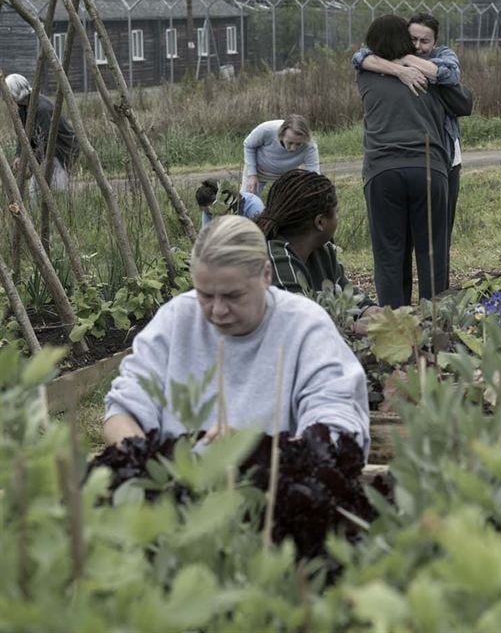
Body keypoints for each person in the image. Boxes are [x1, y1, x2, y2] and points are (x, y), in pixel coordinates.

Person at [103, 216, 370, 455]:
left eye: (233, 295)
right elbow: (123, 412)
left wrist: (255, 455)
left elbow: (337, 429)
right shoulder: (176, 320)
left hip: (275, 496)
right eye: (205, 295)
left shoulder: (304, 328)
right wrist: (144, 464)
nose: (217, 311)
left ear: (266, 275)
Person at [355, 14, 473, 308]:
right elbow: (464, 101)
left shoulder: (366, 73)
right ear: (405, 40)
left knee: (389, 253)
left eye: (423, 40)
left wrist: (400, 65)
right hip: (429, 169)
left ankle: (394, 321)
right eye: (413, 40)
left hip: (381, 172)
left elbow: (360, 57)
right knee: (432, 251)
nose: (419, 45)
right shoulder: (430, 78)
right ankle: (433, 319)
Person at [256, 169, 380, 333]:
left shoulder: (322, 252)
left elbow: (349, 296)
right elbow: (300, 325)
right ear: (320, 222)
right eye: (336, 212)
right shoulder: (276, 261)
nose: (338, 218)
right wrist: (356, 328)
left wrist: (372, 313)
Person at [4, 73, 79, 192]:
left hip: (61, 149)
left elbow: (44, 141)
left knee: (58, 188)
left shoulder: (42, 109)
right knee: (35, 191)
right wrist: (19, 155)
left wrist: (30, 165)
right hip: (43, 150)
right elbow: (22, 134)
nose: (5, 98)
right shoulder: (22, 107)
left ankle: (63, 208)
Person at [242, 114, 320, 194]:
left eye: (298, 144)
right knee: (246, 202)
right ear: (281, 135)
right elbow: (249, 145)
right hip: (258, 171)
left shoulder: (310, 146)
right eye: (290, 143)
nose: (293, 148)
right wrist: (252, 175)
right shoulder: (267, 130)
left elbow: (314, 174)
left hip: (286, 177)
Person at [195, 178, 264, 229]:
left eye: (213, 210)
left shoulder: (253, 205)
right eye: (208, 212)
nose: (211, 215)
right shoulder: (208, 211)